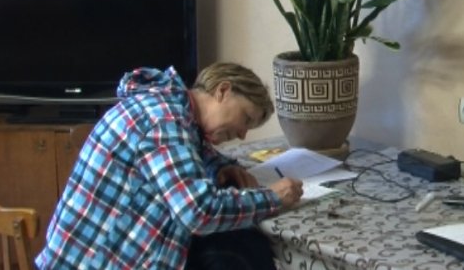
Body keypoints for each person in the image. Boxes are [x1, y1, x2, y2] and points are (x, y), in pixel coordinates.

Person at [35, 63, 304, 270]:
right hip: (96, 262)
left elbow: (192, 152)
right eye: (246, 118)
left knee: (237, 247)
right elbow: (197, 211)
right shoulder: (164, 120)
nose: (243, 134)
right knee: (242, 251)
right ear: (223, 91)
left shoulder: (170, 109)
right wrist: (272, 198)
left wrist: (221, 166)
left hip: (98, 257)